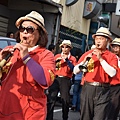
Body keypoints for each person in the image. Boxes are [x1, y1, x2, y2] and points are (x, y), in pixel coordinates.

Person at [0, 11, 55, 120]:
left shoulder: (46, 55)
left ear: (40, 34)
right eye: (22, 29)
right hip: (4, 112)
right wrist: (1, 59)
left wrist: (26, 58)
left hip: (29, 114)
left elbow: (45, 80)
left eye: (30, 30)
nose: (24, 32)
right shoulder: (9, 51)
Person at [73, 27, 118, 120]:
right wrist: (84, 61)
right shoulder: (88, 53)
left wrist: (101, 59)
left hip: (103, 90)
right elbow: (75, 70)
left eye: (101, 39)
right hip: (88, 88)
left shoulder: (112, 56)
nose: (98, 41)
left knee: (100, 117)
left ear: (107, 41)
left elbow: (112, 73)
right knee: (85, 117)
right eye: (97, 38)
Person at [46, 40, 77, 120]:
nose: (64, 49)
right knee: (51, 98)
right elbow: (51, 67)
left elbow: (73, 69)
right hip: (56, 78)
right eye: (63, 47)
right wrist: (56, 62)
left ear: (70, 48)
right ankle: (49, 118)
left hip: (65, 79)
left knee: (65, 100)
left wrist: (67, 60)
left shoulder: (72, 58)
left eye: (67, 47)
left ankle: (65, 117)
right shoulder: (57, 56)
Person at [108, 38, 120, 120]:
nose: (115, 49)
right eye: (113, 47)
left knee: (114, 110)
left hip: (117, 86)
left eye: (117, 47)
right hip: (107, 85)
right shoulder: (108, 57)